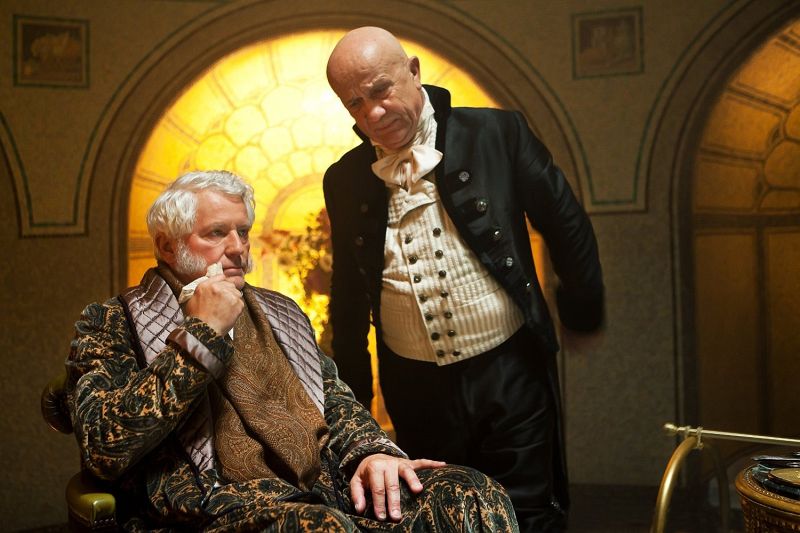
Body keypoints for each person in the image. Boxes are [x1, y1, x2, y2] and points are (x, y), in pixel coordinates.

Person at [65, 170, 518, 531]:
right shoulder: (111, 322)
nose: (237, 248)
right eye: (216, 233)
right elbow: (105, 447)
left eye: (243, 231)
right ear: (168, 245)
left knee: (469, 491)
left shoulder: (280, 311)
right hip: (211, 508)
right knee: (317, 526)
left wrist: (371, 453)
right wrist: (200, 334)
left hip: (328, 489)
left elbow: (334, 401)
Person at [323, 27, 604, 532]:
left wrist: (582, 311)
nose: (373, 114)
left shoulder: (497, 133)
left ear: (413, 71)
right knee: (437, 514)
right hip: (414, 387)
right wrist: (355, 408)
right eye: (355, 104)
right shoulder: (343, 177)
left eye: (381, 90)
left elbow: (566, 222)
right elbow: (346, 297)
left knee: (528, 511)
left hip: (509, 370)